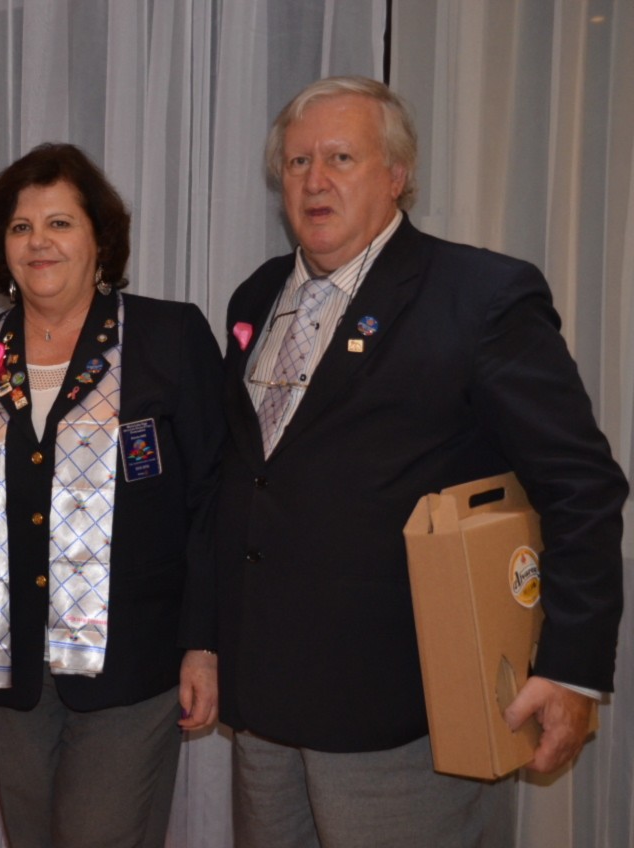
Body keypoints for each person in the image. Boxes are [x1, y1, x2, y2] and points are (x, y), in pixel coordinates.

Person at [215, 76, 627, 847]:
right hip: (264, 703)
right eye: (298, 162)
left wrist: (569, 667)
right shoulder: (256, 296)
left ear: (397, 175)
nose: (315, 180)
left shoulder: (481, 295)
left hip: (409, 712)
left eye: (341, 157)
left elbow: (581, 487)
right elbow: (252, 479)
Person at [0, 142, 226, 848]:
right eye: (21, 227)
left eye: (60, 223)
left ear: (100, 239)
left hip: (133, 664)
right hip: (9, 667)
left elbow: (213, 499)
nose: (39, 242)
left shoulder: (166, 336)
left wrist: (204, 645)